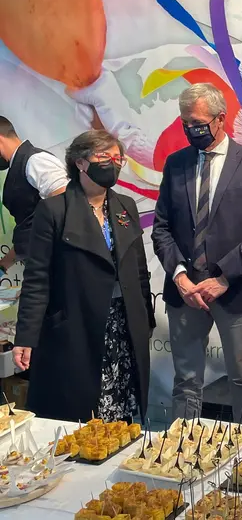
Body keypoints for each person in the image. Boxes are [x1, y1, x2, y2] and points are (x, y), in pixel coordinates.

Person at [152, 83, 242, 430]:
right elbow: (161, 228)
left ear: (221, 119)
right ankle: (182, 449)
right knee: (186, 380)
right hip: (186, 293)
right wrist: (180, 276)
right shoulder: (176, 164)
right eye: (185, 123)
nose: (191, 129)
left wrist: (223, 278)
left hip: (236, 290)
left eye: (198, 123)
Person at [11, 130, 155, 422]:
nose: (112, 163)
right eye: (103, 156)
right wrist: (25, 336)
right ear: (80, 162)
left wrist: (146, 318)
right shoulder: (54, 210)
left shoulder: (125, 205)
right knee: (83, 411)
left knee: (122, 408)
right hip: (76, 324)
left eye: (117, 158)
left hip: (123, 322)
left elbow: (139, 270)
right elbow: (37, 279)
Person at [0, 116, 68, 273]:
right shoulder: (20, 165)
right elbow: (29, 228)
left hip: (59, 264)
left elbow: (67, 205)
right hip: (43, 265)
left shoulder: (35, 160)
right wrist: (3, 265)